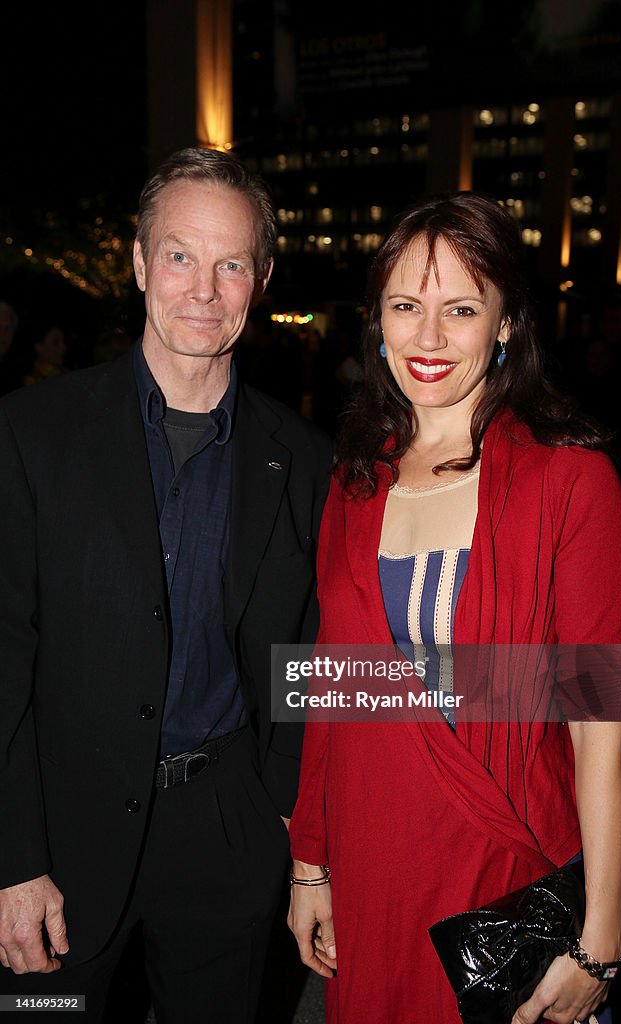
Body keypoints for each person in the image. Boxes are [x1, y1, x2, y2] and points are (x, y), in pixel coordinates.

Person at [287, 192, 621, 1024]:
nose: (429, 338)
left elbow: (602, 732)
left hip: (500, 868)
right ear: (376, 318)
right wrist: (310, 865)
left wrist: (601, 935)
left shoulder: (572, 483)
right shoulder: (353, 480)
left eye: (460, 308)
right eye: (406, 306)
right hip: (371, 866)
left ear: (506, 322)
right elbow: (337, 687)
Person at [0, 147, 332, 1023]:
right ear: (140, 261)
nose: (203, 289)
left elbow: (306, 661)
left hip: (225, 836)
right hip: (57, 842)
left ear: (260, 278)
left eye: (230, 264)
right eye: (180, 255)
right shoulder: (32, 431)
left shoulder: (302, 460)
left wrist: (287, 833)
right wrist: (11, 859)